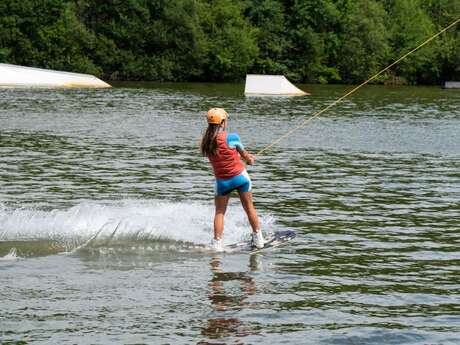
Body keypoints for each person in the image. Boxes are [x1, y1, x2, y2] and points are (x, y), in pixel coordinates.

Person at [200, 108, 264, 252]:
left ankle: (217, 243)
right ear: (223, 122)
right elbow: (245, 155)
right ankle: (259, 239)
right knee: (249, 208)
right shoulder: (232, 137)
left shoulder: (205, 142)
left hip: (222, 182)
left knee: (220, 212)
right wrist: (250, 159)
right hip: (240, 178)